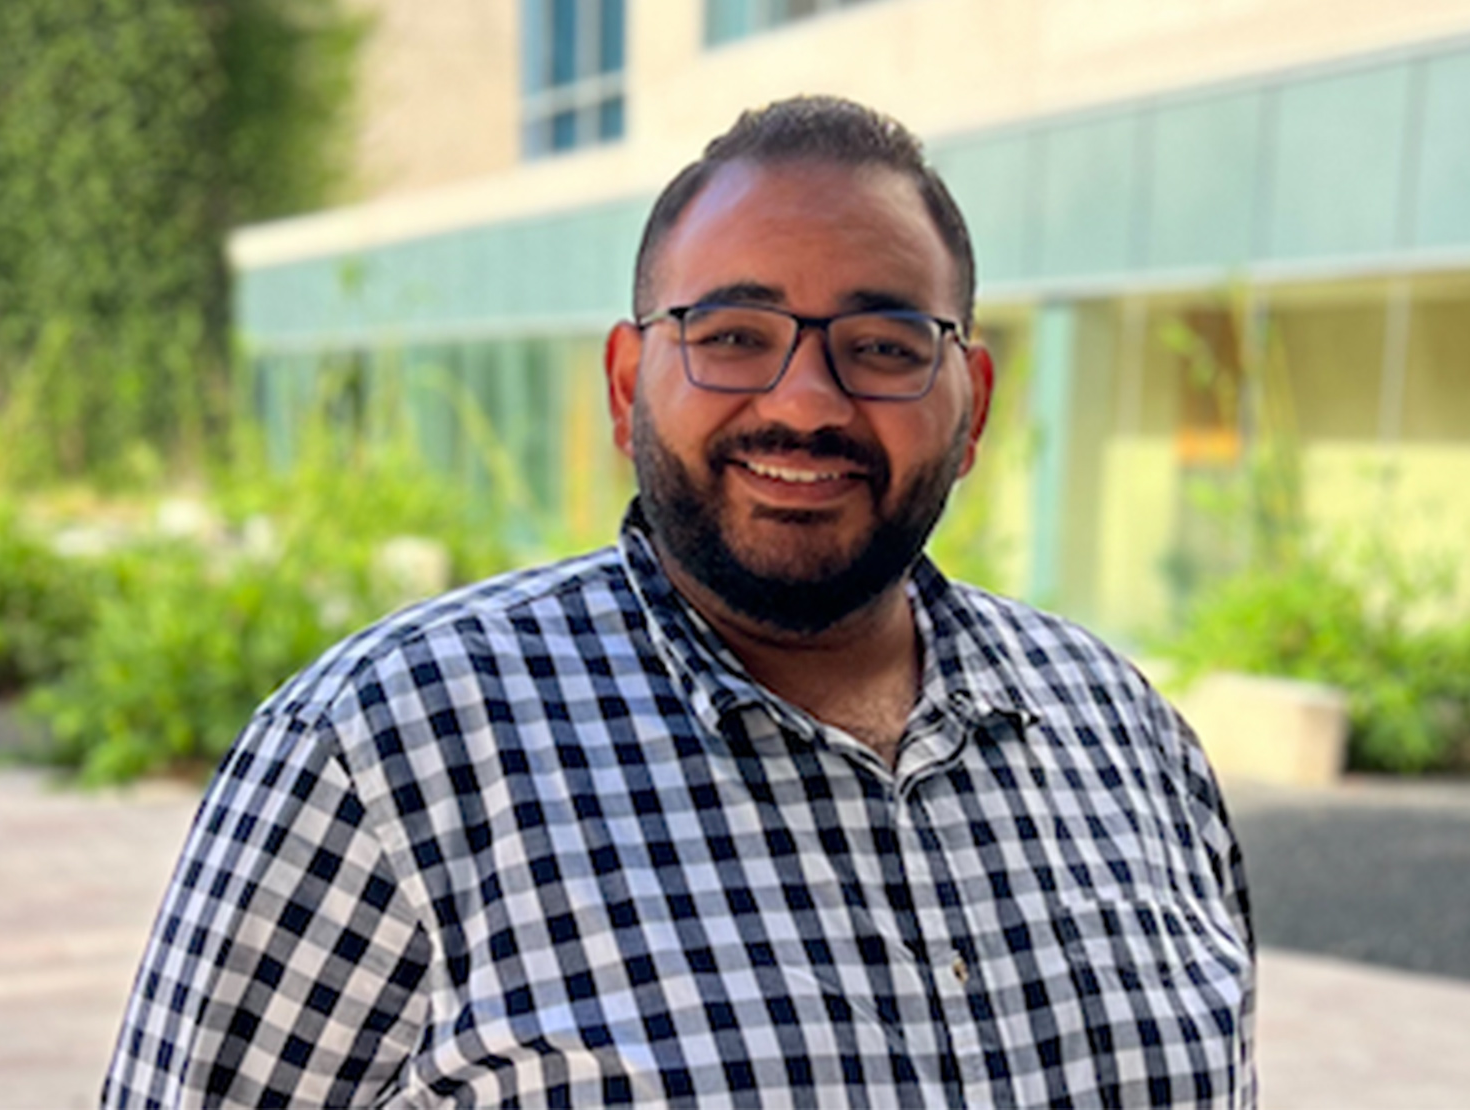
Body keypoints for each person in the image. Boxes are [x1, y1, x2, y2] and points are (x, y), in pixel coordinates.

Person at [104, 95, 1254, 1109]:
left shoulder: (1123, 733)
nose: (804, 401)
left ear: (973, 404)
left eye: (883, 345)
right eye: (733, 337)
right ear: (624, 386)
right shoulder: (386, 749)